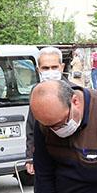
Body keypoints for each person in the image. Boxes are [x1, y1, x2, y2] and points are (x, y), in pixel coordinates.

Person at [25, 47, 64, 178]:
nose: (50, 72)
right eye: (45, 68)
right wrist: (30, 156)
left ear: (62, 67)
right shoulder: (36, 92)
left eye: (54, 67)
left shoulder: (74, 91)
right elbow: (31, 125)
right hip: (45, 156)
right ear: (38, 70)